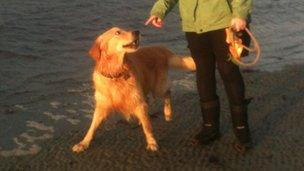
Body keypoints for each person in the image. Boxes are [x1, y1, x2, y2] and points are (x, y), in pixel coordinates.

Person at [145, 0, 253, 153]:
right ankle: (210, 128)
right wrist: (159, 11)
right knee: (203, 75)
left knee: (229, 74)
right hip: (194, 27)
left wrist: (240, 14)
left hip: (223, 24)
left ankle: (242, 132)